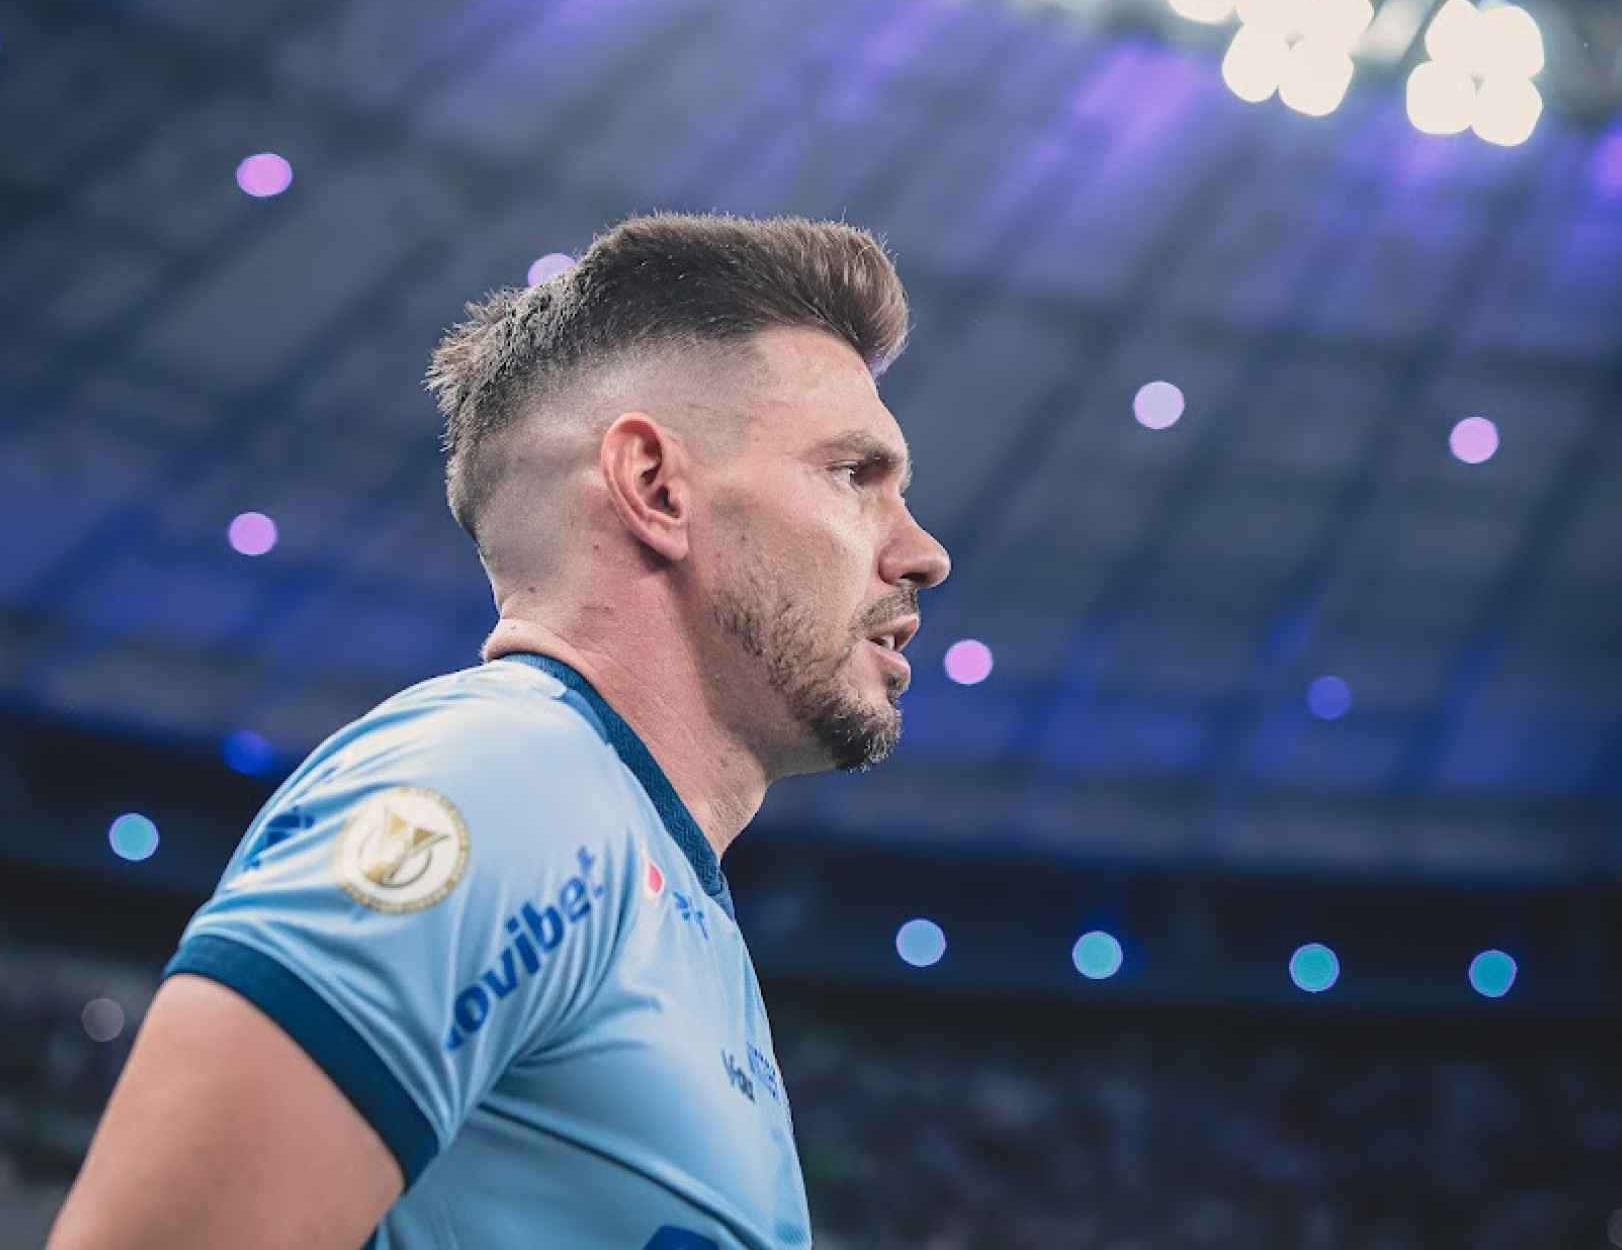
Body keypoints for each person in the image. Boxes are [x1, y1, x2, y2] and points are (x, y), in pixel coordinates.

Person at [46, 212, 952, 1250]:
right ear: (657, 487)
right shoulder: (503, 784)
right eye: (854, 474)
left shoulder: (652, 876)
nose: (923, 551)